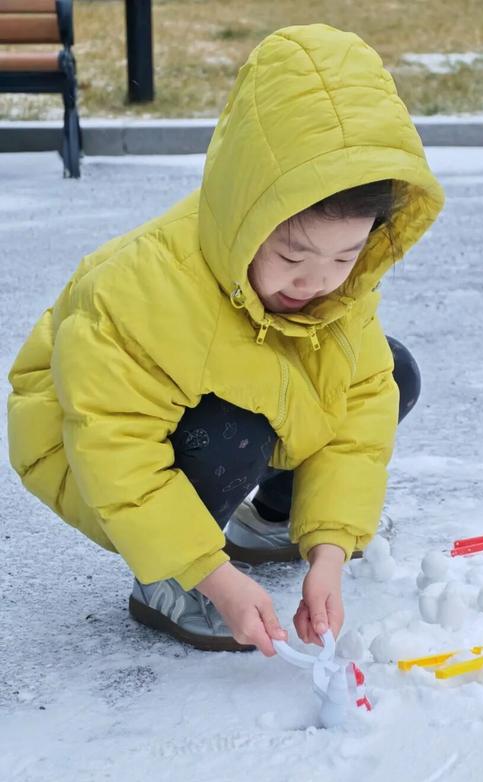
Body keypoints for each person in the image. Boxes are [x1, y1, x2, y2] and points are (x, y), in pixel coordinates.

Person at [7, 23, 444, 657]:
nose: (316, 281)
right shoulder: (143, 292)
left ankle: (269, 520)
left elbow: (358, 414)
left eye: (345, 256)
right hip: (82, 441)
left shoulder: (334, 290)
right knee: (238, 427)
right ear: (246, 217)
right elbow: (116, 448)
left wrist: (329, 550)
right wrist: (213, 577)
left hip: (216, 395)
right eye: (294, 253)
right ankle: (165, 579)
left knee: (388, 371)